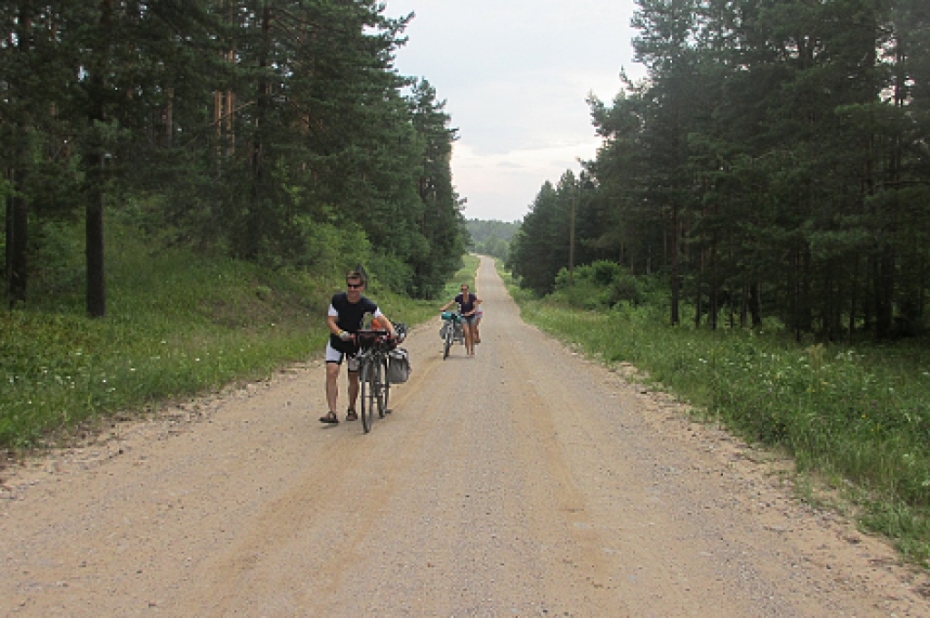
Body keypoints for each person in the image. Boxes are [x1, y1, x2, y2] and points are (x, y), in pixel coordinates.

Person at [321, 271, 397, 424]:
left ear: (362, 287)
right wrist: (340, 333)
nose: (352, 289)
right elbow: (330, 321)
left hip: (355, 343)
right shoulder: (338, 300)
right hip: (338, 340)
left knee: (353, 376)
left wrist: (391, 330)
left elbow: (381, 318)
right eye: (349, 286)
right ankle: (332, 412)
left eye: (356, 286)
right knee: (332, 371)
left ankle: (351, 408)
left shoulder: (366, 304)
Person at [440, 284, 481, 356]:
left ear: (468, 290)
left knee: (471, 333)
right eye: (462, 290)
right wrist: (444, 308)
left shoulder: (472, 296)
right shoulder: (459, 297)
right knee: (466, 332)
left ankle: (472, 349)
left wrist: (469, 313)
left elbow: (475, 308)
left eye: (465, 289)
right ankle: (467, 350)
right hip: (463, 316)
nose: (464, 291)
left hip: (472, 316)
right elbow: (451, 303)